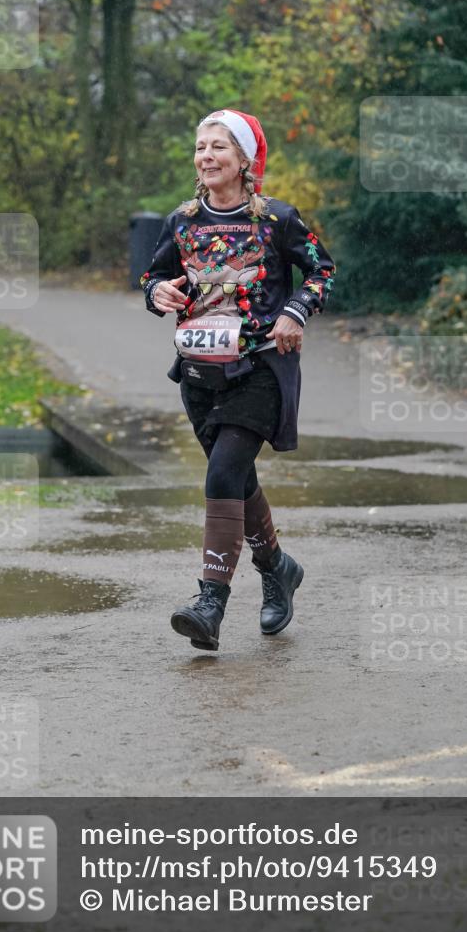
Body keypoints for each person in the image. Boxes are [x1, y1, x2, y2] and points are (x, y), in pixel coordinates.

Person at [140, 108, 336, 652]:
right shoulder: (181, 221)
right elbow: (153, 275)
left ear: (245, 160)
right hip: (200, 373)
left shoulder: (277, 218)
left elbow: (323, 270)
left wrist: (296, 311)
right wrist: (158, 294)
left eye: (219, 147)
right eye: (201, 147)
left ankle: (211, 603)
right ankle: (277, 568)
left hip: (262, 367)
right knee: (237, 480)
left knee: (223, 474)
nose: (206, 156)